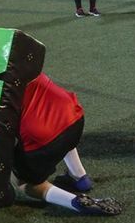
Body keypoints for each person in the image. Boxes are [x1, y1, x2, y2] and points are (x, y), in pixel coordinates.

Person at [13, 73, 121, 215]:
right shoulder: (19, 54)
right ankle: (79, 176)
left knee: (23, 183)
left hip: (44, 136)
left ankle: (74, 202)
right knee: (53, 118)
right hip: (73, 116)